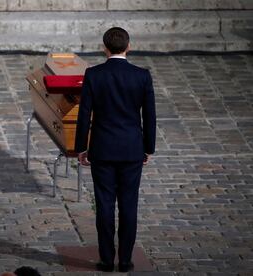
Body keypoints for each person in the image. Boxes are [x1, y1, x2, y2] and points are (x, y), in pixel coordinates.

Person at [75, 27, 156, 272]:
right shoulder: (142, 76)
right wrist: (148, 148)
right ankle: (126, 260)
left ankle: (107, 259)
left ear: (104, 48)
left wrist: (81, 147)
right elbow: (149, 116)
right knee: (129, 205)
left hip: (103, 149)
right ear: (128, 46)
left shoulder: (94, 74)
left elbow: (84, 114)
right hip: (131, 149)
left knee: (105, 205)